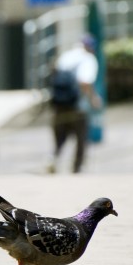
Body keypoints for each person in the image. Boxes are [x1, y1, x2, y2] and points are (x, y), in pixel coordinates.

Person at [48, 34, 102, 173]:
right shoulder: (88, 59)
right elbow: (85, 81)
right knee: (81, 138)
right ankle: (77, 168)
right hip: (78, 106)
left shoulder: (66, 56)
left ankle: (53, 160)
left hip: (59, 103)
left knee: (60, 137)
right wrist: (93, 98)